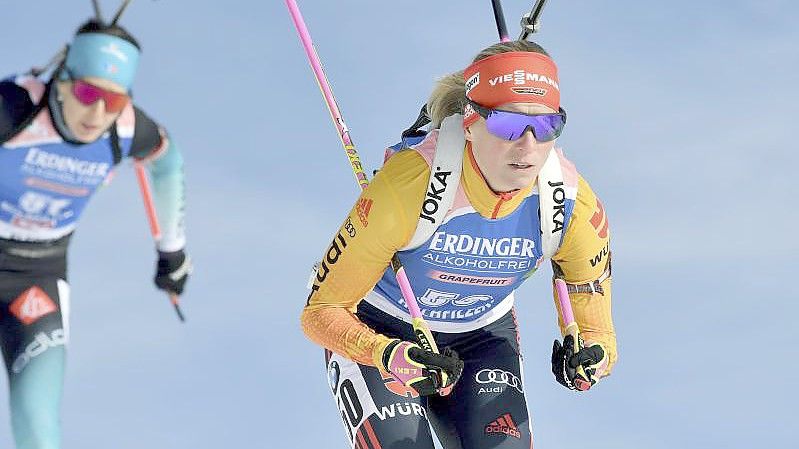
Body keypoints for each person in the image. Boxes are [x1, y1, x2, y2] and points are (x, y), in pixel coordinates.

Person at [301, 39, 616, 449]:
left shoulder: (571, 202)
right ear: (471, 122)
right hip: (379, 326)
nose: (527, 147)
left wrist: (590, 356)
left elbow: (598, 330)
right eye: (507, 125)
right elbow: (321, 311)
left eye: (545, 127)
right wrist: (385, 353)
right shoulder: (410, 186)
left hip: (480, 339)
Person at [0, 16, 190, 449]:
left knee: (38, 423)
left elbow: (167, 161)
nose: (98, 112)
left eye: (114, 100)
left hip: (36, 278)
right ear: (62, 78)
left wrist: (172, 254)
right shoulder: (14, 107)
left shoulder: (124, 131)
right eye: (88, 93)